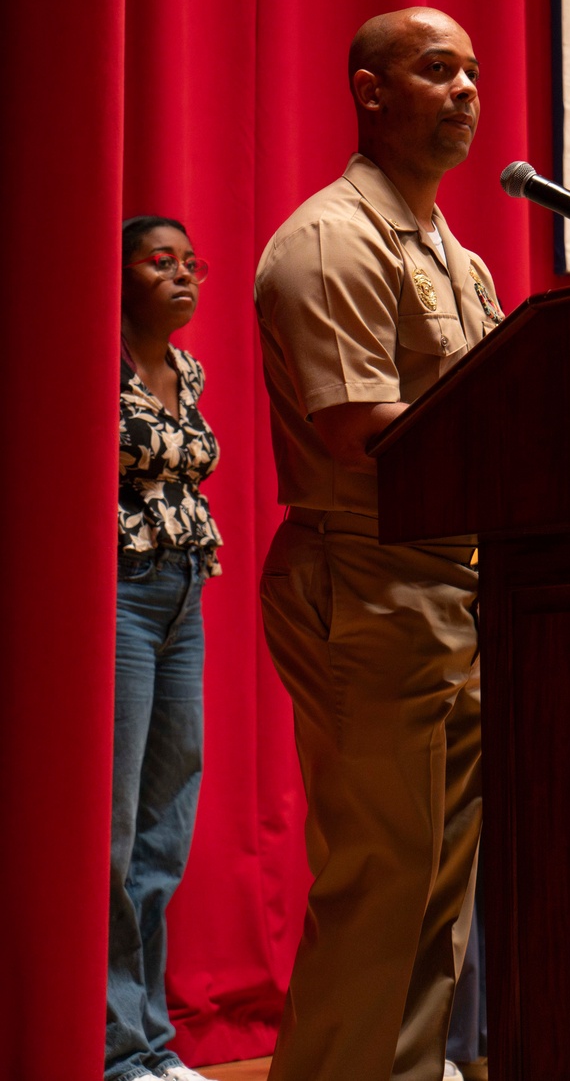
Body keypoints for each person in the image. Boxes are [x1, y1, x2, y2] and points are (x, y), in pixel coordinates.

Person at [254, 7, 503, 1081]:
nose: (463, 92)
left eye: (473, 74)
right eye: (436, 70)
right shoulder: (330, 239)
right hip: (367, 580)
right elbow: (355, 430)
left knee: (437, 884)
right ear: (368, 90)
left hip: (457, 584)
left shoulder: (461, 253)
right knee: (380, 876)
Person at [109, 217, 223, 1081]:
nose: (183, 275)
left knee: (165, 827)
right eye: (161, 261)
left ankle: (152, 1042)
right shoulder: (96, 362)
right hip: (121, 597)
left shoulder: (187, 370)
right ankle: (120, 1051)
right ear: (119, 275)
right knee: (115, 831)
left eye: (192, 263)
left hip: (186, 594)